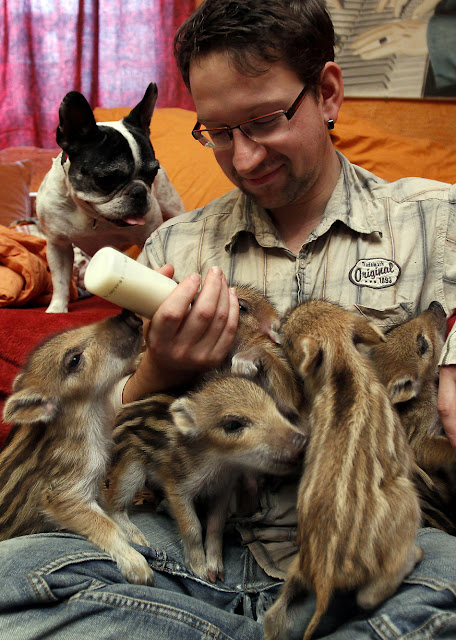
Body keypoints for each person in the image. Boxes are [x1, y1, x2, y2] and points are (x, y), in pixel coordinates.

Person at [1, 1, 456, 638]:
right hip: (189, 552)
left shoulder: (437, 223)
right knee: (12, 573)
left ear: (326, 93)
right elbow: (105, 436)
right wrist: (159, 370)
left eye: (263, 121)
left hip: (370, 545)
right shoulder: (171, 248)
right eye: (215, 133)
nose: (242, 159)